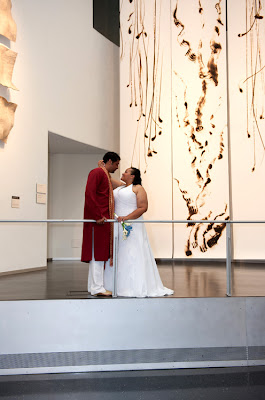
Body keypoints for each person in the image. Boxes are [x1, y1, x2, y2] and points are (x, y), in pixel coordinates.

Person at [104, 166, 174, 297]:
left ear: (132, 176)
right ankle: (115, 285)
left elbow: (143, 207)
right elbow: (107, 179)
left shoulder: (138, 188)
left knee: (132, 252)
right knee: (118, 252)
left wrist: (127, 218)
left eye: (126, 172)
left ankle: (133, 286)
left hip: (131, 224)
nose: (123, 173)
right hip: (118, 224)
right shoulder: (120, 187)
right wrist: (103, 168)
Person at [81, 151, 120, 296]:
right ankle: (97, 288)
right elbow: (89, 194)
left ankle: (94, 287)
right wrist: (98, 215)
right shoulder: (97, 172)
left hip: (101, 221)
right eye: (116, 164)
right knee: (97, 255)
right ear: (109, 161)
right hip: (98, 222)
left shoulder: (103, 174)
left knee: (96, 255)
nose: (117, 168)